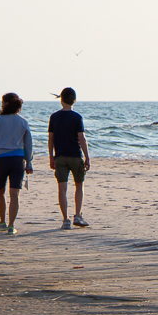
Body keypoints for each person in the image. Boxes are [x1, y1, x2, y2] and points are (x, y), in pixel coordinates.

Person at [0, 92, 33, 234]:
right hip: (17, 160)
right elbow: (28, 145)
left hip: (1, 159)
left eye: (2, 102)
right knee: (14, 193)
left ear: (6, 104)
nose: (1, 104)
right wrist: (29, 162)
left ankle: (2, 221)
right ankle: (11, 225)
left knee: (0, 191)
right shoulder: (23, 121)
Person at [47, 87, 90, 229]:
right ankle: (77, 215)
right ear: (74, 100)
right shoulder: (77, 117)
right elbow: (82, 139)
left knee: (62, 188)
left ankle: (65, 219)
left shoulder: (54, 117)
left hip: (60, 156)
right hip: (75, 155)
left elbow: (51, 139)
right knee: (79, 185)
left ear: (61, 100)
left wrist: (51, 156)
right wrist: (87, 156)